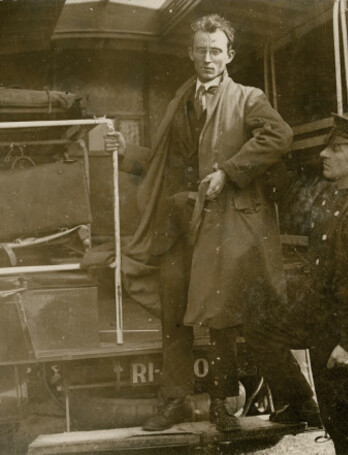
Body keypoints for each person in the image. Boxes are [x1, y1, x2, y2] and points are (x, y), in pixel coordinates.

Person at [105, 14, 292, 432]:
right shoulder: (179, 101)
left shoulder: (248, 98)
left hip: (222, 225)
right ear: (190, 53)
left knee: (220, 317)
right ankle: (175, 403)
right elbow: (163, 160)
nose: (207, 58)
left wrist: (228, 171)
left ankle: (221, 406)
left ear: (229, 55)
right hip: (177, 226)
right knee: (173, 317)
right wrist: (125, 152)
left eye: (215, 50)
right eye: (200, 50)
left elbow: (279, 136)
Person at [246, 114, 348, 455]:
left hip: (345, 334)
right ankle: (301, 402)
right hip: (320, 321)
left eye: (336, 148)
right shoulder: (338, 198)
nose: (324, 155)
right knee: (259, 327)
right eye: (327, 147)